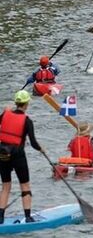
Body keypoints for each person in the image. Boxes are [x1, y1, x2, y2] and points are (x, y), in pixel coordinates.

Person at [0, 91, 44, 224]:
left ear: (16, 102)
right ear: (26, 104)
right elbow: (34, 143)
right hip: (18, 155)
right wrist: (42, 150)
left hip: (2, 153)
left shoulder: (5, 114)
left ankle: (0, 217)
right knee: (24, 184)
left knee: (6, 186)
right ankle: (28, 217)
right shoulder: (27, 120)